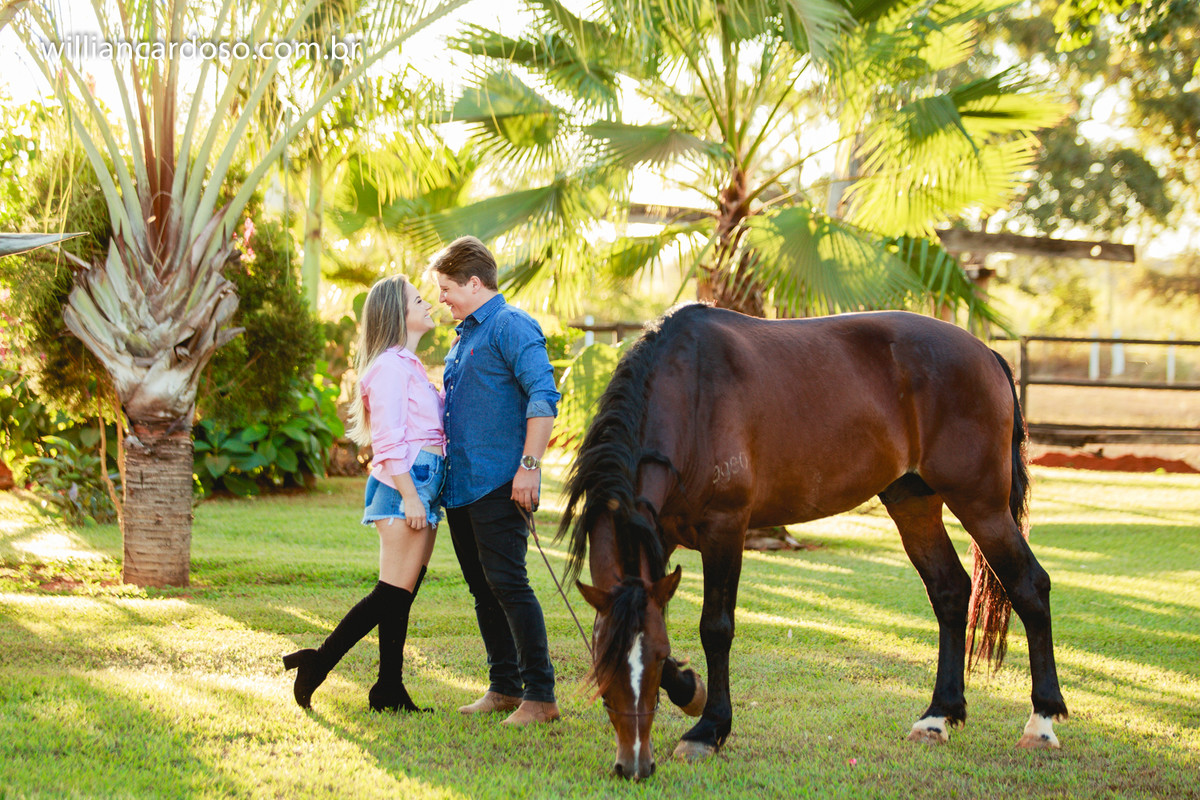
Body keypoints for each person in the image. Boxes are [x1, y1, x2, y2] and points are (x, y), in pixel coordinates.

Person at [283, 275, 445, 713]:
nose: (428, 303)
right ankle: (317, 663)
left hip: (423, 485)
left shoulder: (409, 365)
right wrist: (411, 496)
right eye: (418, 299)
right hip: (404, 487)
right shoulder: (390, 367)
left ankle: (388, 688)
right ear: (397, 312)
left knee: (401, 594)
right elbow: (388, 440)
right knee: (390, 594)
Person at [433, 236, 562, 726]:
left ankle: (541, 696)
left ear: (473, 283)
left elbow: (543, 396)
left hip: (500, 484)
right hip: (461, 486)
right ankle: (505, 687)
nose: (441, 298)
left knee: (509, 585)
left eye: (446, 288)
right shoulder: (464, 335)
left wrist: (529, 467)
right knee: (483, 590)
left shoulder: (511, 324)